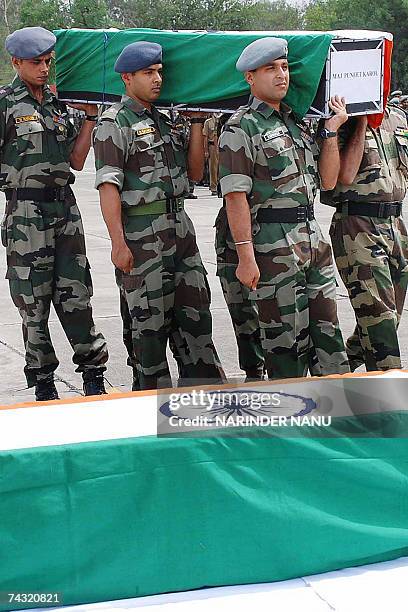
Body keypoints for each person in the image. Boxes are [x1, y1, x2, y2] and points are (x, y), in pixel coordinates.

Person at [93, 41, 225, 390]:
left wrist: (197, 123)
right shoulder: (114, 123)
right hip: (141, 235)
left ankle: (204, 400)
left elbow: (195, 174)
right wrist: (118, 244)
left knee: (196, 317)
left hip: (180, 230)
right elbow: (108, 187)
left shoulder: (165, 121)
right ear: (127, 77)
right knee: (148, 328)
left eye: (159, 72)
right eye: (148, 73)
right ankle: (151, 402)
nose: (157, 79)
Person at [218, 37, 350, 379]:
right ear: (250, 77)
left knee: (329, 335)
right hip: (272, 247)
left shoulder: (297, 122)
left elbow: (329, 181)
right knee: (285, 343)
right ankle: (288, 423)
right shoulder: (240, 126)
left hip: (312, 241)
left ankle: (337, 420)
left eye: (285, 67)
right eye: (270, 69)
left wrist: (332, 133)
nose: (281, 75)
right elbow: (235, 197)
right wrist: (246, 258)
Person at [0, 26, 108, 401]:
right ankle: (44, 380)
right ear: (16, 63)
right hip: (26, 211)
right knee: (33, 299)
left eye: (48, 61)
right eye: (36, 62)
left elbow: (77, 161)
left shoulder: (60, 106)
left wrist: (91, 120)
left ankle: (93, 372)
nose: (44, 68)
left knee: (76, 294)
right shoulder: (5, 104)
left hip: (65, 206)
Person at [321, 108, 408, 371]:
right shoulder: (340, 118)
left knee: (387, 317)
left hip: (395, 224)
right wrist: (361, 121)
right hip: (358, 225)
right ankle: (387, 392)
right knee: (379, 318)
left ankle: (342, 367)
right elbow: (344, 177)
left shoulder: (397, 117)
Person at [203, 114, 220, 195]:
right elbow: (205, 137)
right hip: (212, 146)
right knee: (213, 167)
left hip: (223, 146)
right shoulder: (208, 122)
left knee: (222, 167)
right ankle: (214, 187)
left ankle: (221, 187)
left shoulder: (224, 119)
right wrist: (206, 150)